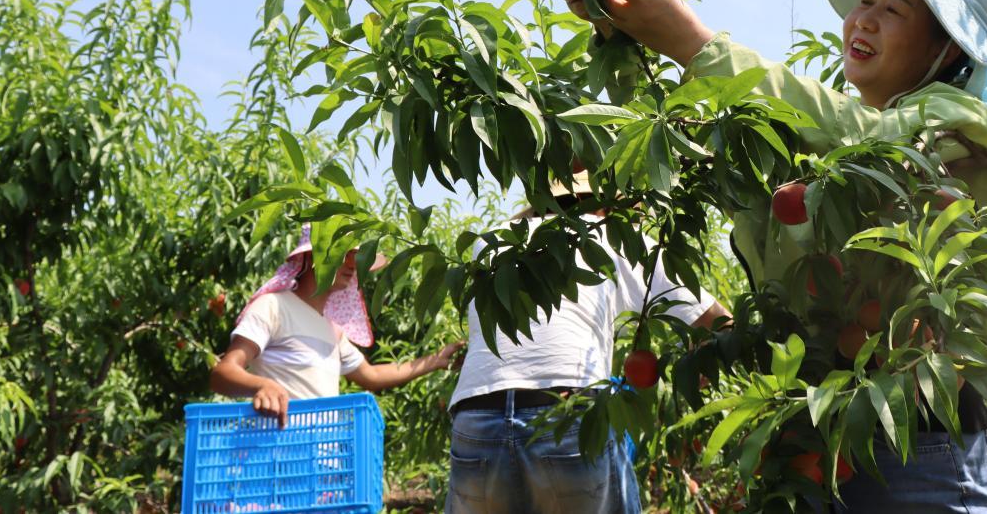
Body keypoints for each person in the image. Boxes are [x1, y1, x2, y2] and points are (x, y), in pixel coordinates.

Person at [561, 0, 987, 512]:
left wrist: (694, 43)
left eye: (895, 9)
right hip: (831, 446)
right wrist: (635, 42)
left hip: (924, 451)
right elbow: (774, 184)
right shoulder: (838, 160)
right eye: (867, 0)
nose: (865, 19)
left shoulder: (959, 124)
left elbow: (867, 136)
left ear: (948, 51)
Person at [445, 174, 731, 514]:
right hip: (566, 412)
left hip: (477, 416)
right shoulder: (610, 236)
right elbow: (720, 322)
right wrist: (697, 362)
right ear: (604, 205)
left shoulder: (490, 243)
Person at [210, 224, 464, 427]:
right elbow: (223, 374)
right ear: (314, 257)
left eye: (356, 257)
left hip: (322, 462)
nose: (354, 266)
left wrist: (437, 360)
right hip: (279, 457)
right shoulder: (274, 307)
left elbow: (372, 376)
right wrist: (262, 386)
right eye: (345, 256)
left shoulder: (333, 330)